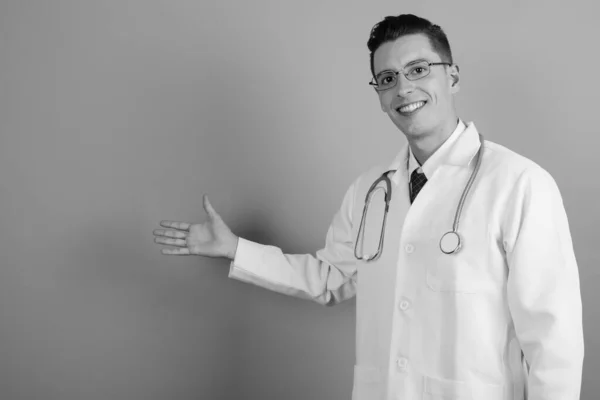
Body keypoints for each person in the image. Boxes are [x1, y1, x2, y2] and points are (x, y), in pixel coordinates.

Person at [153, 14, 584, 400]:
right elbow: (330, 278)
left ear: (452, 77)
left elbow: (553, 336)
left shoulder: (520, 184)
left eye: (418, 70)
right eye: (388, 78)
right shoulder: (370, 191)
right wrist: (236, 249)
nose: (404, 88)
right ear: (379, 94)